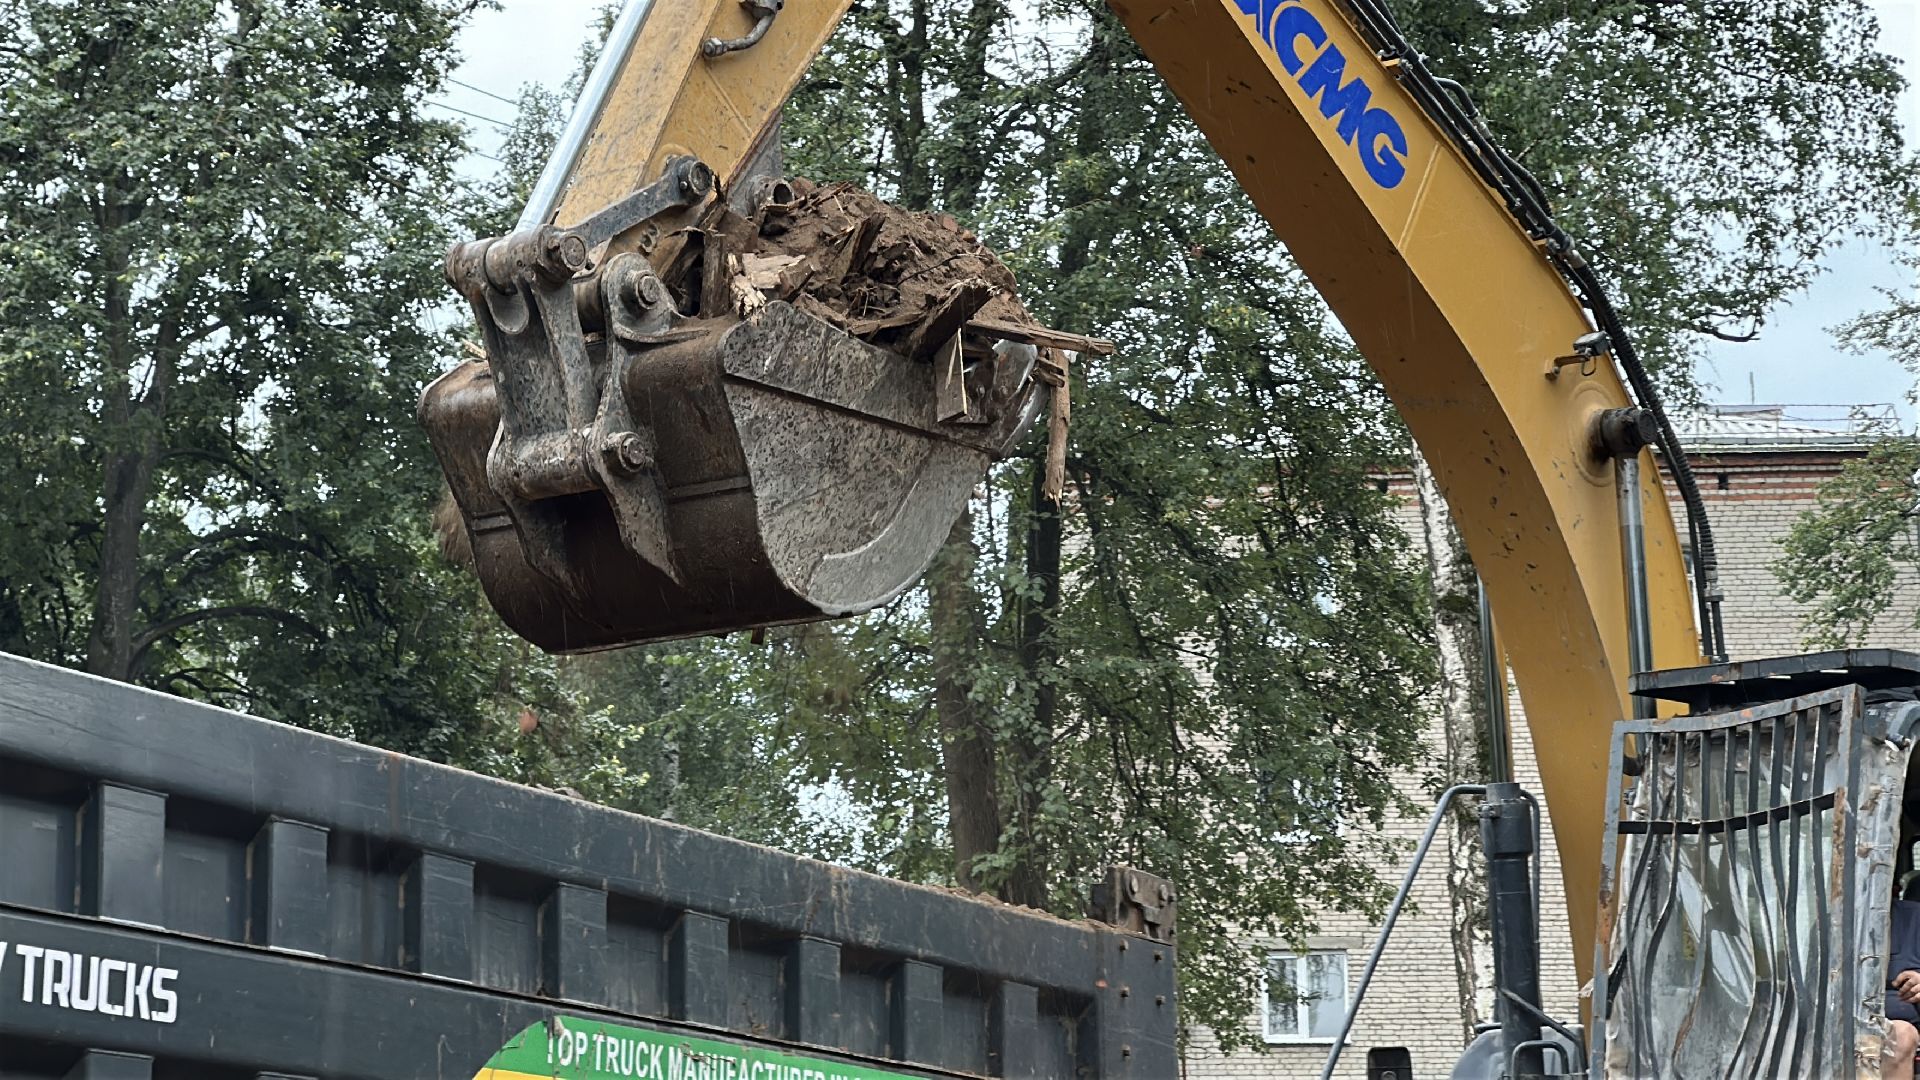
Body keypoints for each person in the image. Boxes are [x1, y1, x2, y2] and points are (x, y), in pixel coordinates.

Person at [1886, 898, 1920, 1080]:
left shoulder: (1915, 917)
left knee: (1899, 1036)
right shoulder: (1827, 922)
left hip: (1900, 1021)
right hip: (1837, 1018)